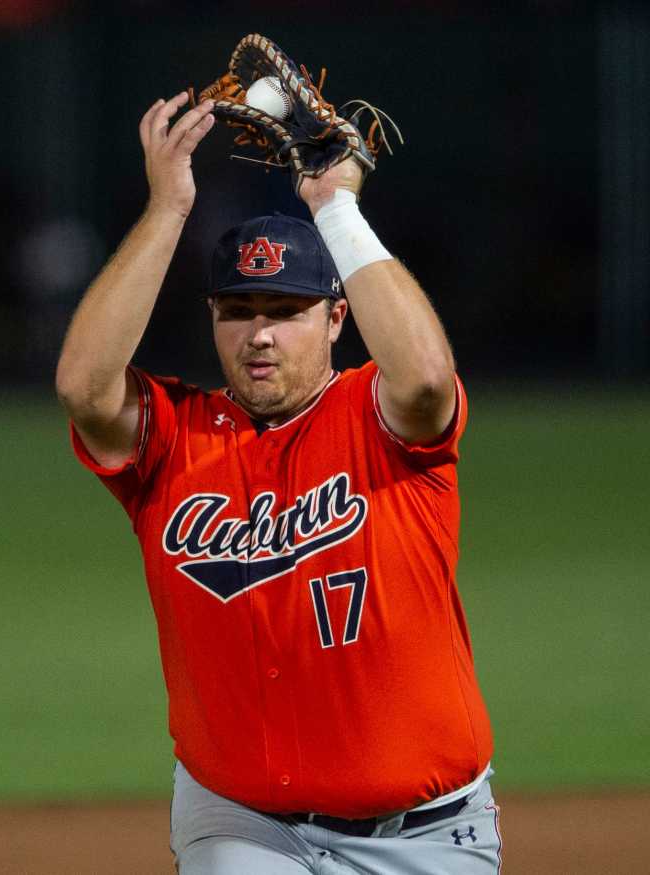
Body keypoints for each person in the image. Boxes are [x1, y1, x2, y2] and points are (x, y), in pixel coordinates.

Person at [56, 93, 500, 873]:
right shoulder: (174, 437)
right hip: (242, 822)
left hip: (427, 832)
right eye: (239, 309)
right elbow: (85, 388)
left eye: (286, 310)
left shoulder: (378, 415)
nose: (260, 333)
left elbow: (429, 379)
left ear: (336, 318)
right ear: (214, 319)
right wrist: (169, 207)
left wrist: (336, 210)